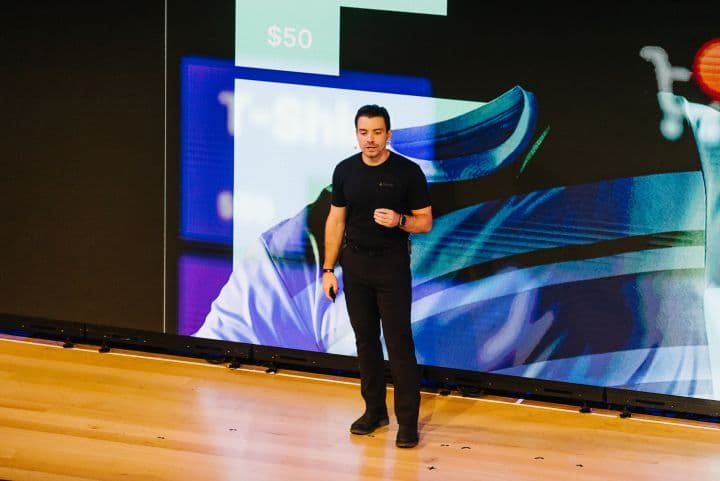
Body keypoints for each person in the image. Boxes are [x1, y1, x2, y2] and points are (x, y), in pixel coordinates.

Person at [321, 104, 433, 448]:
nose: (370, 139)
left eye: (377, 132)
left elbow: (425, 222)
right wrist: (328, 269)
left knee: (399, 345)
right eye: (363, 132)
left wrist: (399, 221)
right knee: (365, 342)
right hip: (355, 266)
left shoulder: (408, 172)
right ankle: (374, 411)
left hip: (391, 267)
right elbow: (336, 221)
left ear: (389, 135)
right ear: (356, 134)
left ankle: (408, 423)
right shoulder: (344, 171)